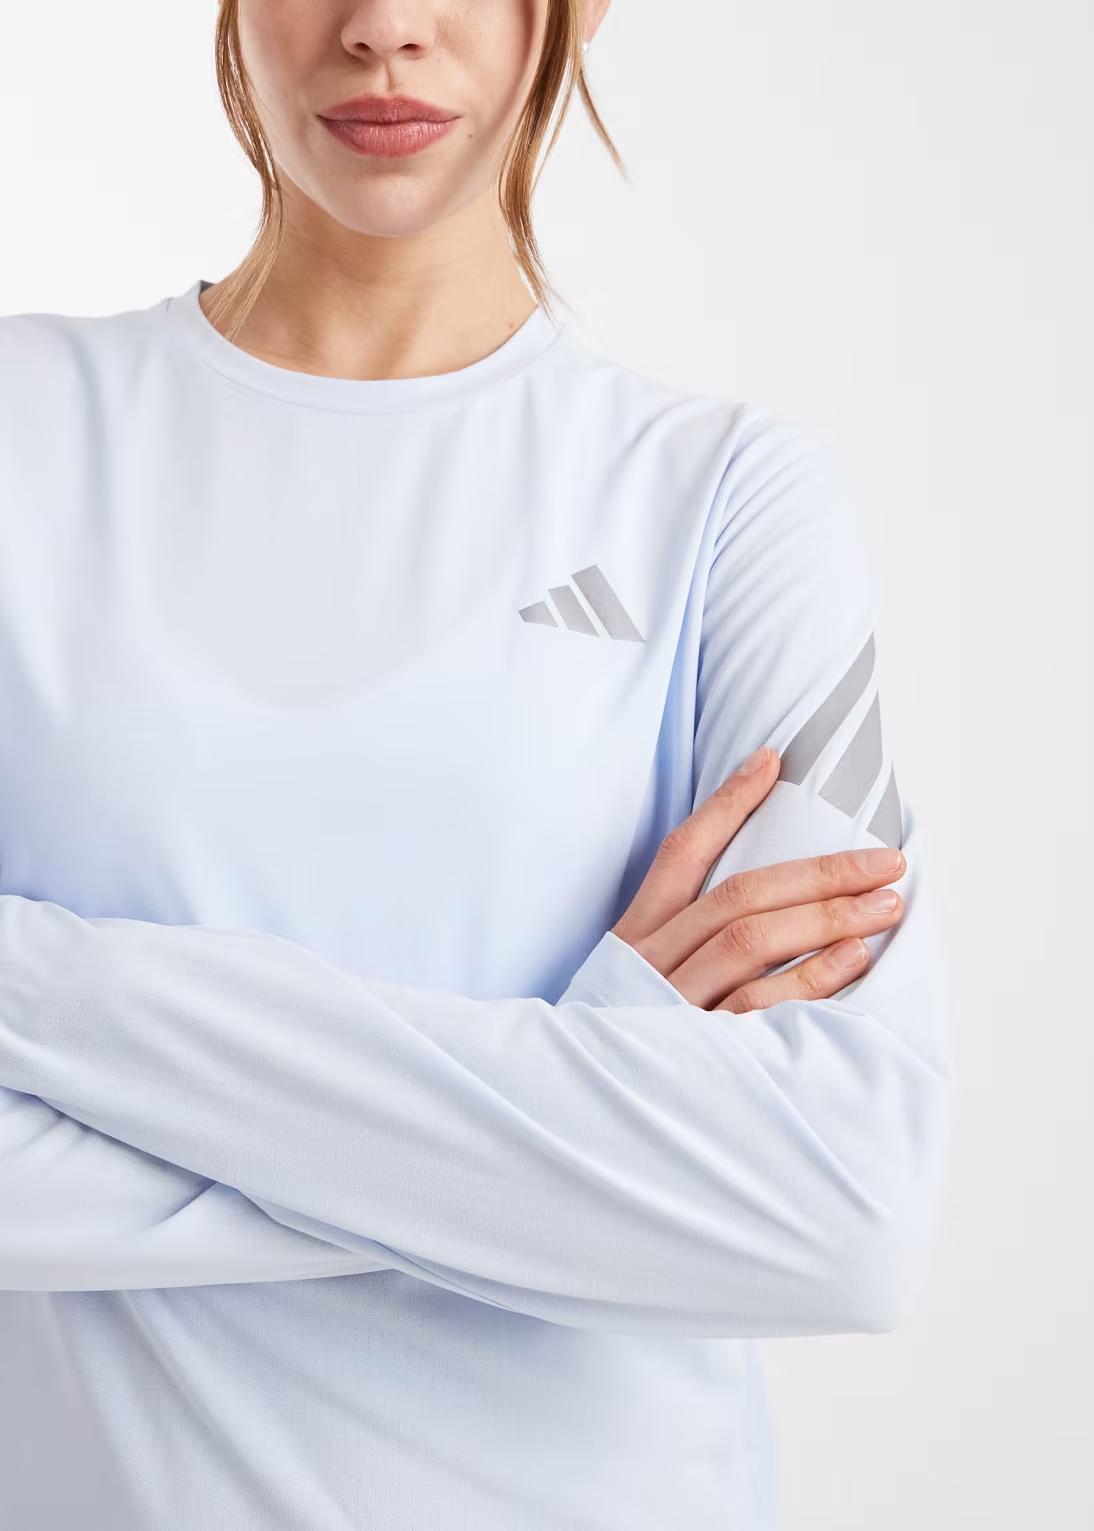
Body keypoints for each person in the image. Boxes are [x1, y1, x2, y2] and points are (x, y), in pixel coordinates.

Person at [0, 1, 955, 1527]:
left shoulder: (726, 499)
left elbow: (839, 1214)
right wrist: (592, 1130)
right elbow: (739, 1202)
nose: (385, 28)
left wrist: (45, 988)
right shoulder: (25, 434)